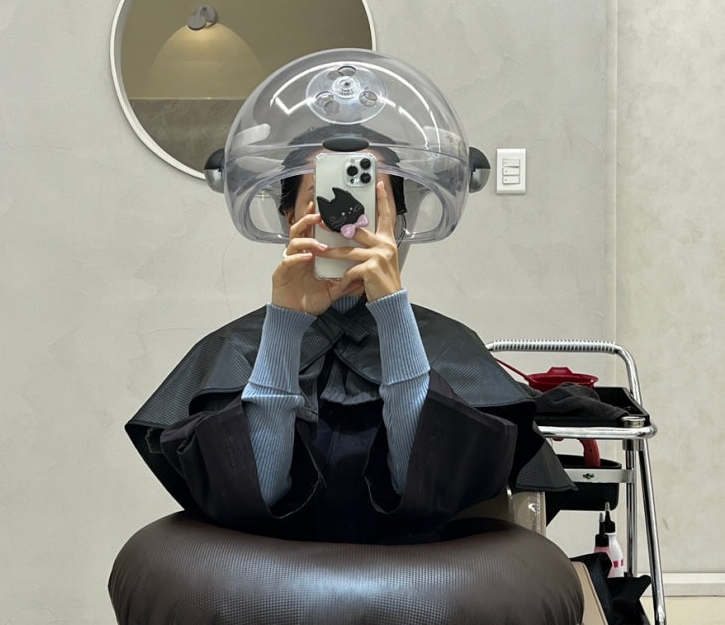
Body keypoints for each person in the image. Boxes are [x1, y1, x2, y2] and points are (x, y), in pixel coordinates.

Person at [127, 163, 573, 543]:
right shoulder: (237, 346)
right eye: (324, 197)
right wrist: (285, 324)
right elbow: (252, 497)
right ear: (289, 217)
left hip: (419, 564)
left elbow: (426, 490)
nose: (347, 218)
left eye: (368, 202)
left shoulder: (449, 343)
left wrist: (392, 313)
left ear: (396, 223)